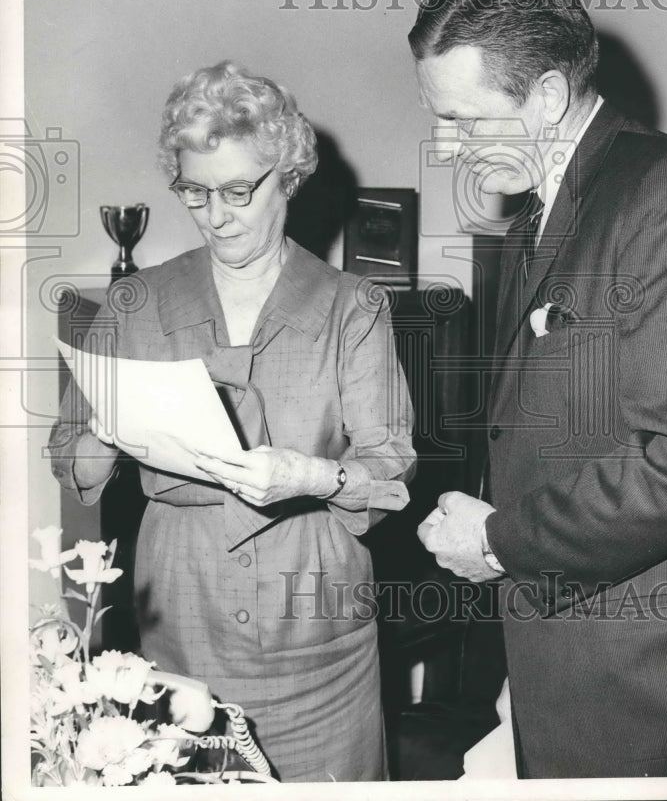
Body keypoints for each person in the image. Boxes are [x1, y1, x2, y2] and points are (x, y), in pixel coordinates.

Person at [413, 0, 667, 777]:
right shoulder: (530, 226)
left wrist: (501, 540)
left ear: (544, 97)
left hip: (661, 691)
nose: (444, 147)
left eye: (465, 121)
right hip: (568, 661)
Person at [49, 60, 416, 782]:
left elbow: (392, 471)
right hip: (179, 624)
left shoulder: (352, 308)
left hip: (315, 630)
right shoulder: (136, 303)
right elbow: (69, 456)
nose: (215, 214)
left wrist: (311, 473)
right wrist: (110, 433)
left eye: (238, 191)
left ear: (289, 177)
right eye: (194, 191)